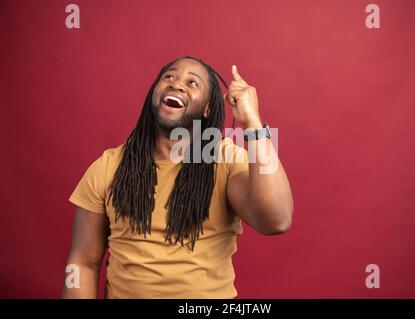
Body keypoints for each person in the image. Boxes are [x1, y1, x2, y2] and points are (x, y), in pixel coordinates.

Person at [62, 56, 293, 298]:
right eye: (169, 77)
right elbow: (83, 262)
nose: (177, 84)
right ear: (154, 93)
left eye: (193, 83)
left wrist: (253, 124)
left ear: (207, 109)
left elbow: (276, 220)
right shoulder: (108, 166)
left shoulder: (226, 160)